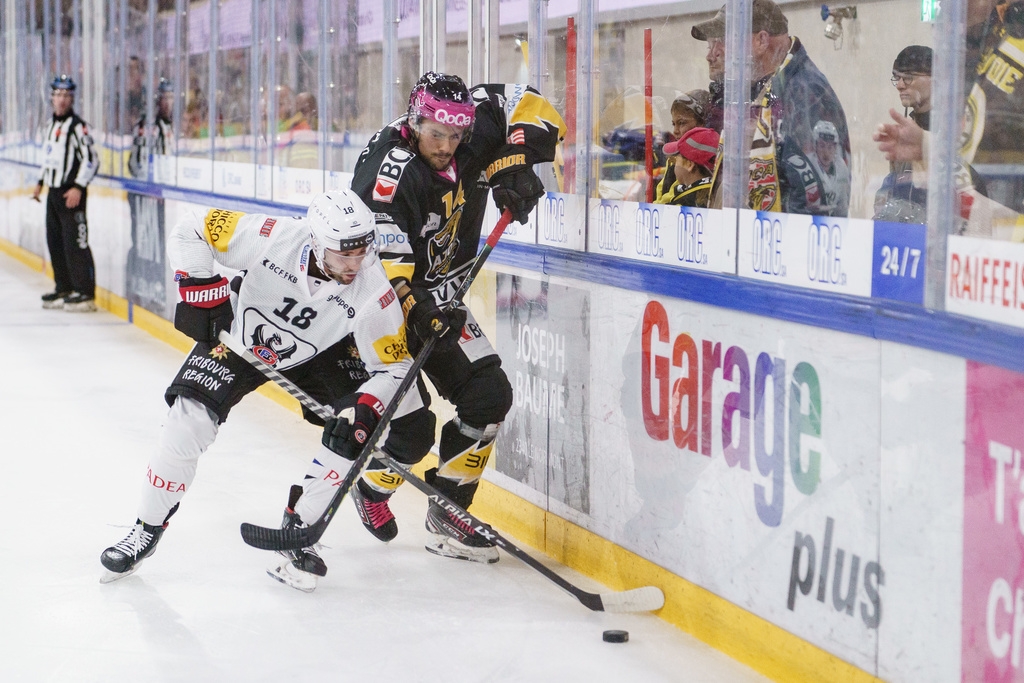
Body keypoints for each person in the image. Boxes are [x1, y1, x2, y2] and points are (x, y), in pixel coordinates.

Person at [98, 190, 435, 591]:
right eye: (343, 254)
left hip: (317, 353)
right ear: (314, 241)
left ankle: (300, 529)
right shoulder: (272, 235)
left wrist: (364, 408)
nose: (355, 264)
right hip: (239, 336)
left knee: (354, 432)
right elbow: (191, 227)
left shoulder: (373, 289)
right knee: (185, 424)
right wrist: (201, 291)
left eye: (362, 252)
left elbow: (394, 367)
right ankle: (145, 530)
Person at [350, 72, 565, 564]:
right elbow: (384, 267)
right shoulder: (389, 172)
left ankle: (449, 508)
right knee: (412, 430)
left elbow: (529, 102)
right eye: (435, 135)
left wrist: (515, 163)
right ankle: (372, 487)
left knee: (489, 396)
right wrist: (418, 309)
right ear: (414, 120)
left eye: (455, 136)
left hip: (442, 300)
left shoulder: (474, 120)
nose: (446, 146)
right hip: (383, 307)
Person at [693, 0, 851, 215]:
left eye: (724, 40)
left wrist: (781, 245)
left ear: (761, 40)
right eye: (711, 44)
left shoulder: (804, 92)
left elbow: (817, 200)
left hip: (782, 244)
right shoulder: (757, 92)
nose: (712, 54)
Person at [33, 75, 100, 312]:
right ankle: (64, 286)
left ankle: (84, 291)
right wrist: (41, 181)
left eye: (66, 95)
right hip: (53, 194)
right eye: (58, 95)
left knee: (76, 243)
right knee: (55, 242)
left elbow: (91, 159)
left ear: (72, 98)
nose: (61, 100)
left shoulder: (77, 127)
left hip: (71, 195)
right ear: (51, 97)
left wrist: (79, 187)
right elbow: (50, 157)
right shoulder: (51, 126)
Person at [654, 90, 712, 203]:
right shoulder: (674, 158)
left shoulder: (693, 164)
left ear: (702, 124)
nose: (675, 131)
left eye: (681, 123)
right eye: (673, 124)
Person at [654, 126, 719, 207]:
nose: (674, 165)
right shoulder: (716, 195)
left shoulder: (681, 205)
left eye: (675, 159)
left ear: (689, 164)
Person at [808, 120, 851, 217]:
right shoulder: (807, 165)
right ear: (815, 146)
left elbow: (842, 205)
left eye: (830, 147)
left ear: (836, 148)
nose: (826, 152)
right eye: (822, 146)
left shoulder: (842, 168)